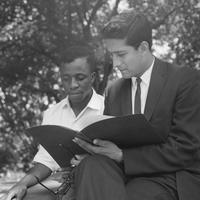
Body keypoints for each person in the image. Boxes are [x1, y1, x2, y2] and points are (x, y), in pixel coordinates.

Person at [72, 10, 200, 200]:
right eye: (112, 55)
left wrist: (123, 156)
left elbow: (185, 149)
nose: (115, 63)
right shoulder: (113, 90)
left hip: (171, 175)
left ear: (143, 47)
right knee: (90, 166)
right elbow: (113, 141)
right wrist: (95, 151)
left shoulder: (186, 80)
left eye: (121, 54)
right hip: (124, 172)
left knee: (135, 193)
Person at [4, 45, 105, 200]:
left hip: (94, 183)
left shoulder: (107, 108)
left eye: (80, 78)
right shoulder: (52, 113)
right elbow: (46, 161)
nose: (72, 85)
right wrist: (21, 184)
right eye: (66, 79)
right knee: (18, 197)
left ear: (92, 77)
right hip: (58, 184)